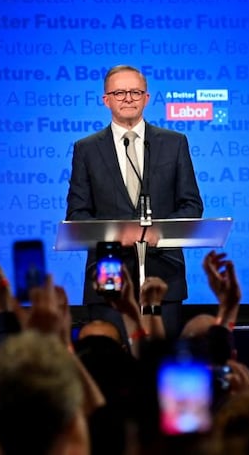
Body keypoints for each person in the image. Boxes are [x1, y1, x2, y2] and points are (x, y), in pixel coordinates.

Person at [66, 64, 203, 338]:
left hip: (163, 276)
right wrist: (119, 234)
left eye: (135, 92)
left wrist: (158, 231)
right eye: (119, 93)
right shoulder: (87, 149)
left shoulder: (174, 143)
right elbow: (77, 215)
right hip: (109, 278)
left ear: (147, 98)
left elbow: (192, 206)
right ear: (106, 100)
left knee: (161, 368)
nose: (128, 98)